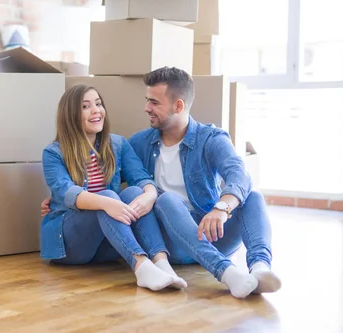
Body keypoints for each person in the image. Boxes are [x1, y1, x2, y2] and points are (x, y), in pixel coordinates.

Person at [42, 67, 282, 299]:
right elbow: (98, 185)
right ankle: (219, 271)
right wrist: (63, 198)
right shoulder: (139, 143)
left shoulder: (210, 138)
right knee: (161, 198)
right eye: (147, 100)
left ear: (178, 106)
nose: (147, 108)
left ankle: (260, 269)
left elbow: (239, 175)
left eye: (154, 103)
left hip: (210, 231)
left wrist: (222, 207)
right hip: (169, 240)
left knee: (253, 196)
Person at [40, 84, 187, 291]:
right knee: (108, 195)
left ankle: (161, 262)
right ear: (70, 114)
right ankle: (141, 266)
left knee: (135, 193)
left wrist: (149, 195)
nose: (96, 111)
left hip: (109, 245)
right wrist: (108, 202)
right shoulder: (54, 153)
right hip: (71, 247)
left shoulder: (117, 144)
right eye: (85, 106)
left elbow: (141, 178)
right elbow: (66, 192)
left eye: (98, 104)